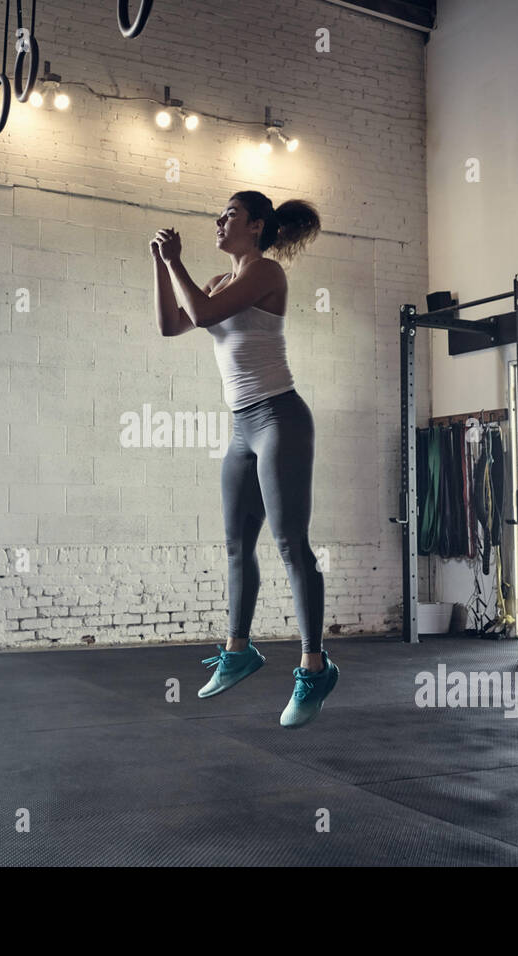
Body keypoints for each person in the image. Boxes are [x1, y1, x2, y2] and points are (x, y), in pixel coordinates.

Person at [151, 191, 337, 728]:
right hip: (242, 428)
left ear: (256, 226)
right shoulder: (216, 281)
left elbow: (204, 314)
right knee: (236, 544)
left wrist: (175, 262)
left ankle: (314, 664)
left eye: (229, 214)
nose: (219, 219)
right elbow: (171, 324)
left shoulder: (266, 273)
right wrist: (161, 267)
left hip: (281, 418)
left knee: (289, 542)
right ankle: (238, 650)